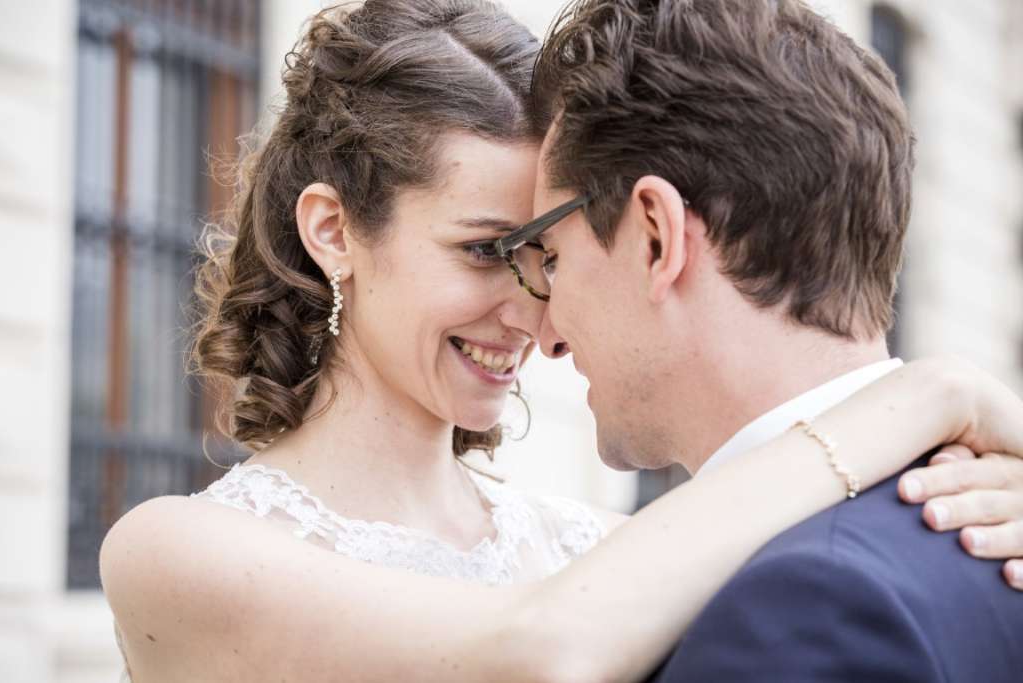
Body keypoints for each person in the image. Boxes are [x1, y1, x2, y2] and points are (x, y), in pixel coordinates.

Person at [98, 2, 1023, 682]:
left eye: (543, 254)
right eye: (487, 251)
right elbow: (536, 648)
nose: (538, 318)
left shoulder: (607, 550)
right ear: (334, 231)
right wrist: (928, 396)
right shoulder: (176, 553)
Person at [519, 0, 1023, 680]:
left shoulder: (803, 605)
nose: (545, 334)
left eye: (550, 256)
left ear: (656, 237)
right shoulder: (981, 540)